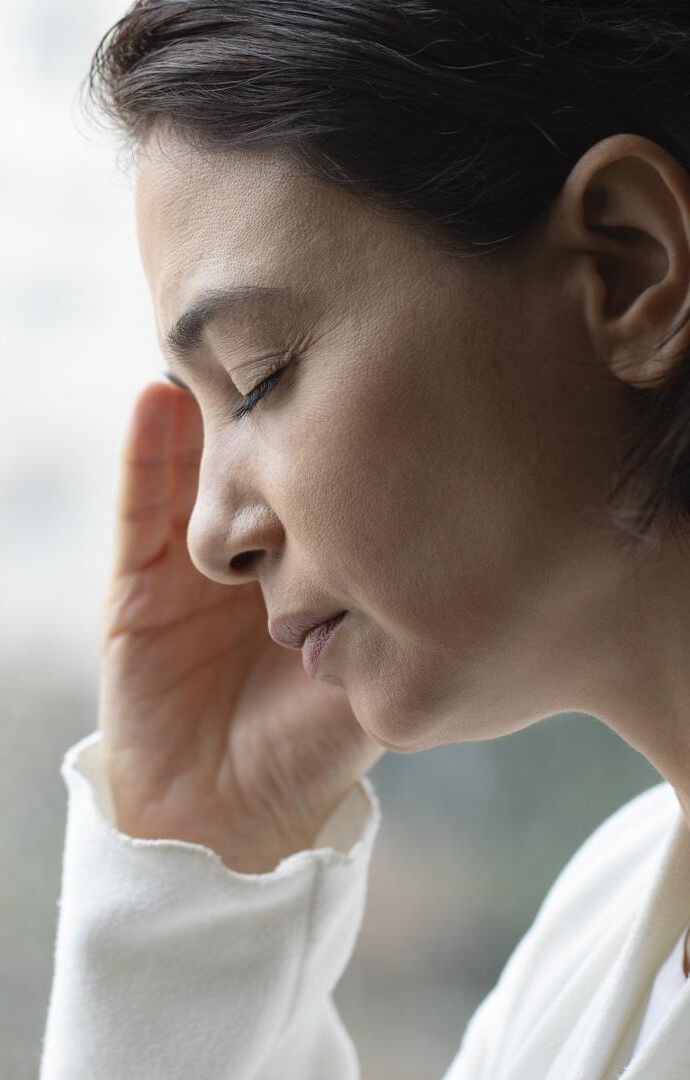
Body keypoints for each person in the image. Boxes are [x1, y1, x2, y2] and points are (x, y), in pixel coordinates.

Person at [39, 2, 690, 1077]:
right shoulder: (605, 940)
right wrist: (198, 867)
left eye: (258, 379)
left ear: (628, 265)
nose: (208, 537)